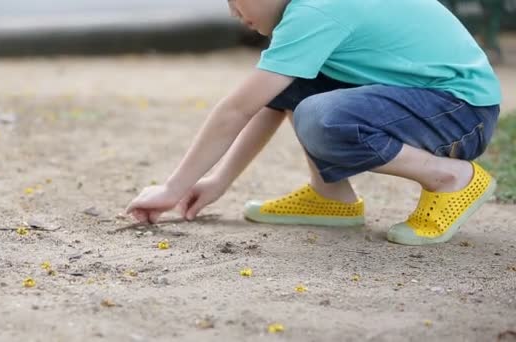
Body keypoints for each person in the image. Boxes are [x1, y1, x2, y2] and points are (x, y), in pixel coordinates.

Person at [127, 0, 502, 245]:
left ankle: (450, 178)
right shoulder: (311, 9)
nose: (232, 11)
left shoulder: (316, 11)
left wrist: (173, 188)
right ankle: (330, 196)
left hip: (461, 112)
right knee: (296, 85)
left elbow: (234, 110)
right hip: (438, 102)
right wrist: (217, 182)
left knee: (324, 117)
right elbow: (264, 103)